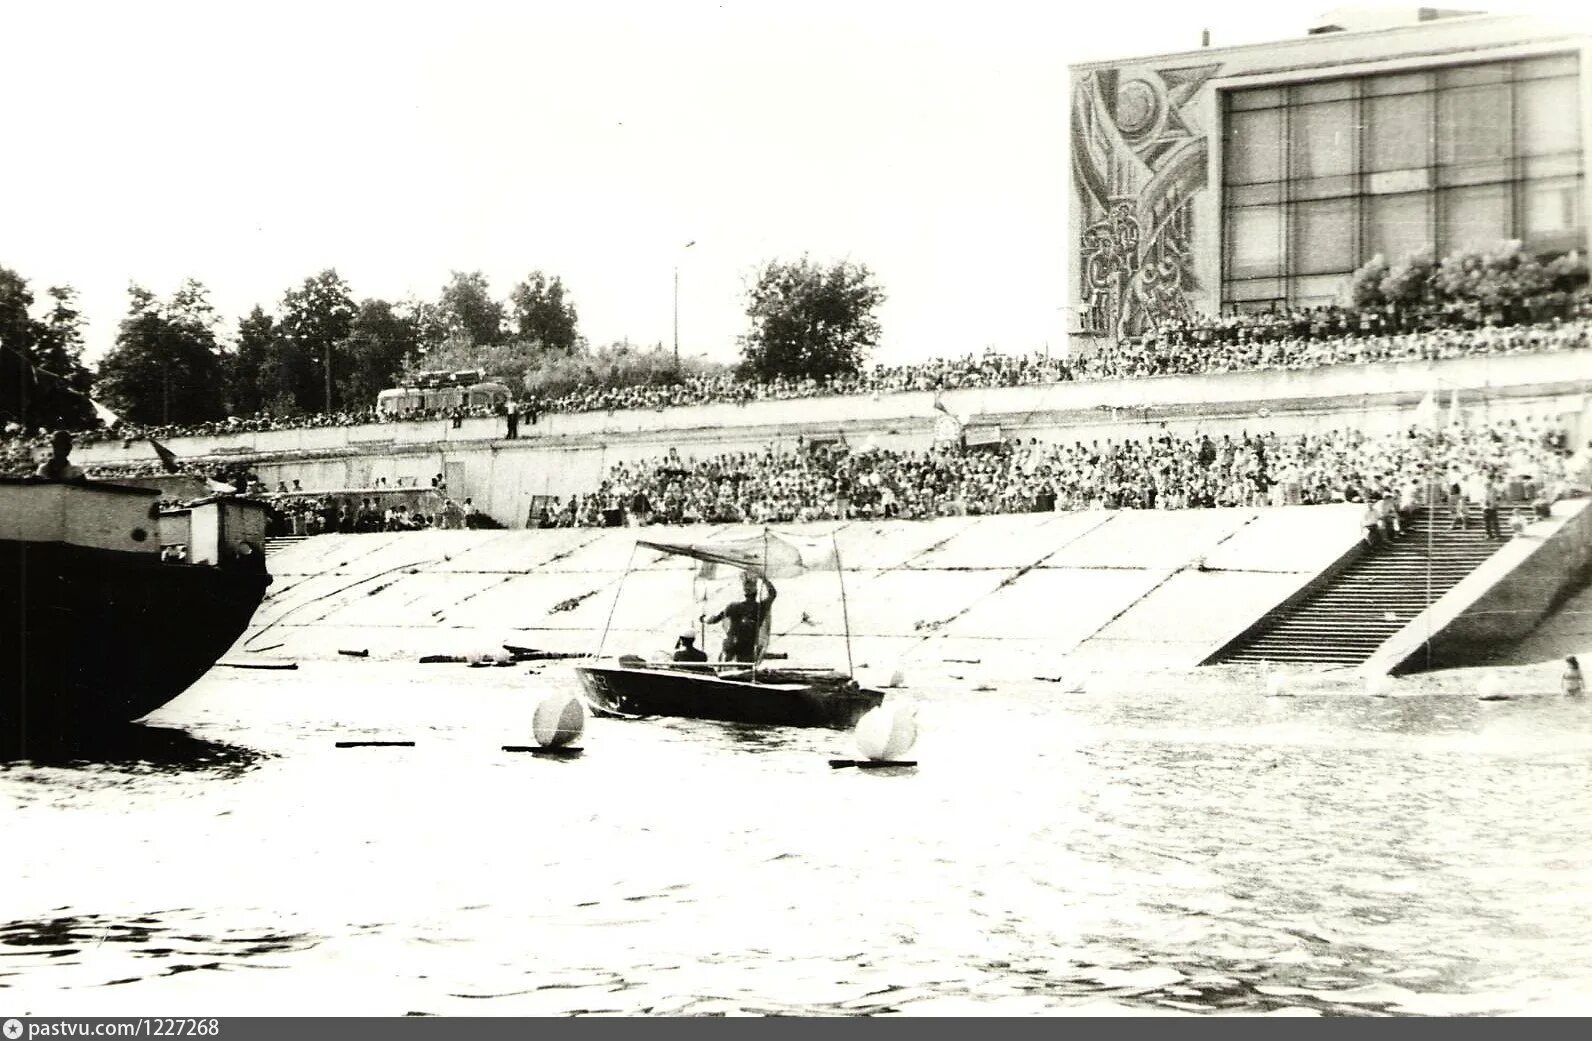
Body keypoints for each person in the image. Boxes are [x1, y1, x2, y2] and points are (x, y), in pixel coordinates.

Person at [702, 572, 777, 663]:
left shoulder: (733, 606)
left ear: (744, 593)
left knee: (725, 664)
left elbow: (714, 620)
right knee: (745, 667)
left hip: (731, 642)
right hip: (748, 644)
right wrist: (764, 579)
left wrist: (703, 619)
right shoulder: (761, 608)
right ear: (756, 593)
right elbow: (772, 594)